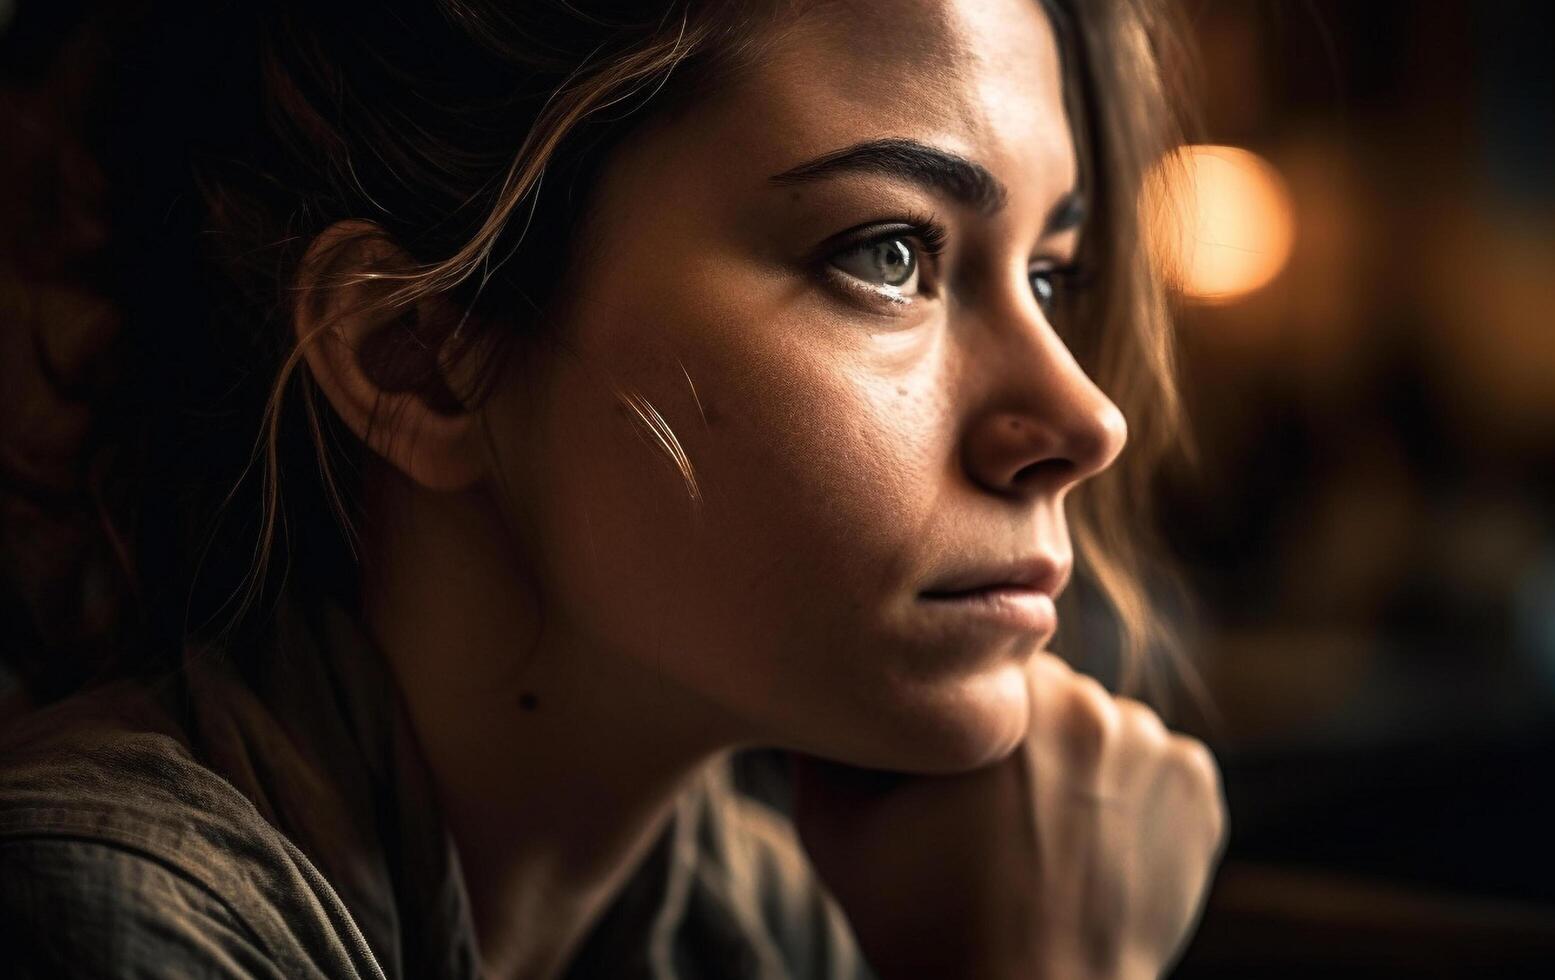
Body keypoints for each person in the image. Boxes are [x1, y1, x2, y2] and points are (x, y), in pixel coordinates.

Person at [0, 0, 1226, 975]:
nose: (1085, 418)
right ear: (419, 357)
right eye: (888, 252)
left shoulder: (768, 920)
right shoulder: (95, 914)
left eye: (1051, 276)